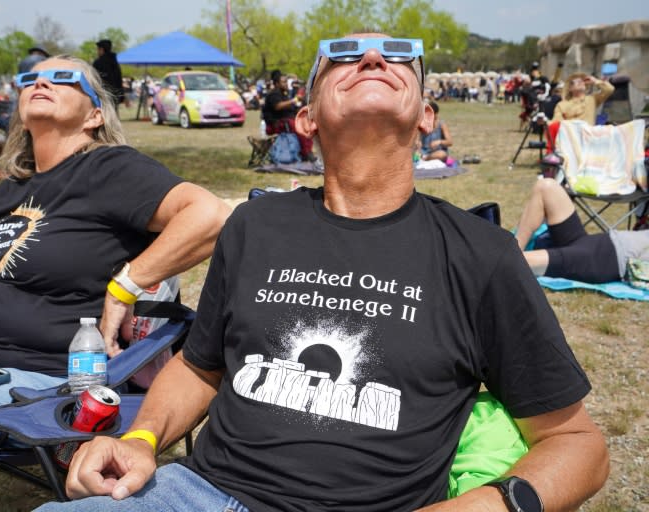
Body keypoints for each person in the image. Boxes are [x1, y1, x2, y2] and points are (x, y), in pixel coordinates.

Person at [36, 33, 608, 512]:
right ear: (306, 118)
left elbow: (577, 443)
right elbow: (198, 367)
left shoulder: (481, 254)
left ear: (426, 116)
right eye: (343, 55)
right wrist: (140, 439)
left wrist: (484, 504)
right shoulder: (253, 226)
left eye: (399, 57)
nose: (373, 59)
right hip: (201, 492)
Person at [0, 55, 230, 512]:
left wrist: (124, 285)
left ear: (95, 115)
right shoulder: (12, 187)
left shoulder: (109, 169)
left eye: (64, 78)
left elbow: (212, 216)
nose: (42, 82)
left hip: (35, 380)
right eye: (31, 78)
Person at [515, 177, 648, 283]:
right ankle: (514, 247)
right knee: (545, 186)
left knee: (514, 261)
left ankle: (503, 258)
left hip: (604, 261)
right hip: (593, 241)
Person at [262, 69, 315, 162]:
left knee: (306, 125)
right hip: (277, 123)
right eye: (283, 82)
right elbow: (278, 106)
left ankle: (307, 152)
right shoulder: (273, 94)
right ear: (277, 84)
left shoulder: (283, 94)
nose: (286, 84)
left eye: (286, 81)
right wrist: (294, 100)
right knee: (300, 129)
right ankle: (306, 153)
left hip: (286, 121)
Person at [93, 39, 124, 108]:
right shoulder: (114, 62)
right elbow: (119, 79)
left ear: (102, 49)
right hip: (115, 95)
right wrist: (121, 95)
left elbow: (94, 79)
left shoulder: (98, 63)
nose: (97, 51)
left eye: (98, 49)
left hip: (102, 94)